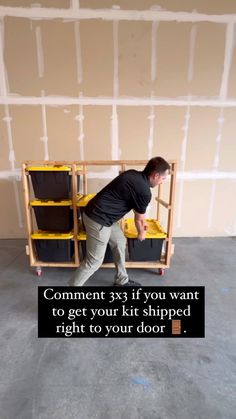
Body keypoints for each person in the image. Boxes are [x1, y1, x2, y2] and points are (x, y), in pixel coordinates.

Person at [69, 156, 170, 287]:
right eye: (163, 179)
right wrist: (141, 233)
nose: (162, 182)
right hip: (98, 219)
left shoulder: (132, 174)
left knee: (119, 242)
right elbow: (139, 219)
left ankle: (121, 281)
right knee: (94, 261)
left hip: (104, 217)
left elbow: (136, 211)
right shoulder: (144, 191)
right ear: (156, 175)